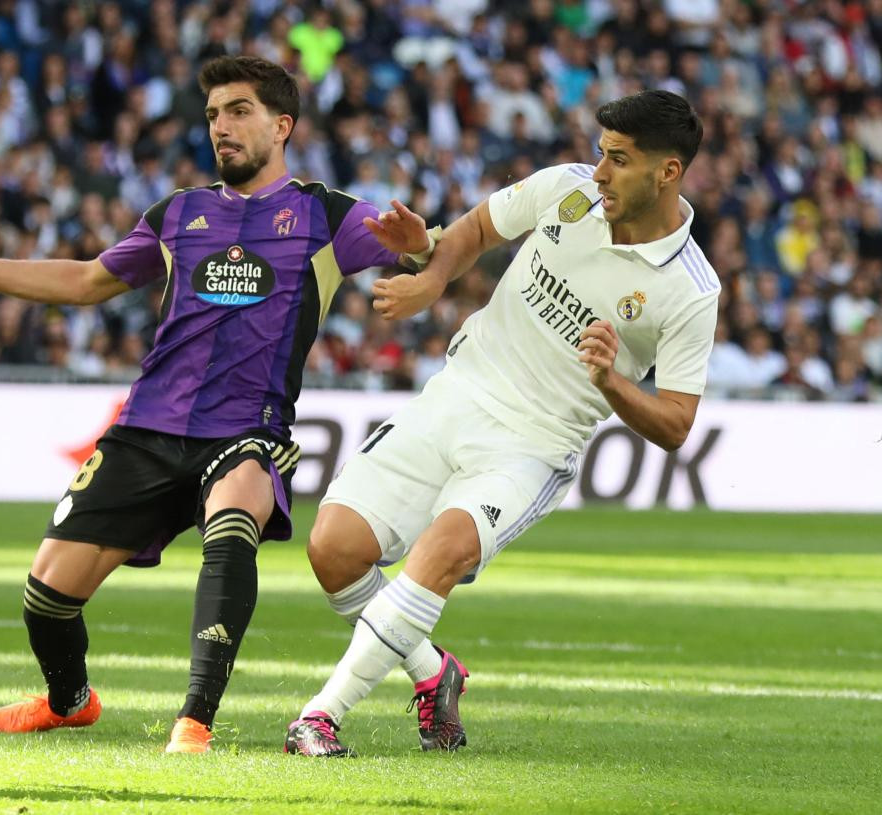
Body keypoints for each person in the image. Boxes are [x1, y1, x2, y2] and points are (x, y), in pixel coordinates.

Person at [0, 56, 436, 754]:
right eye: (213, 115)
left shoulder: (325, 214)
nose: (222, 127)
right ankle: (70, 701)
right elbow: (89, 280)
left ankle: (195, 720)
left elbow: (418, 251)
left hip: (247, 427)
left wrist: (420, 249)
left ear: (282, 124)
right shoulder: (178, 213)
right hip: (149, 425)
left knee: (235, 516)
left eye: (238, 111)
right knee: (46, 596)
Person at [284, 90, 719, 756]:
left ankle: (321, 714)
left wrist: (614, 383)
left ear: (667, 172)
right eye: (601, 153)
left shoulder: (691, 289)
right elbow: (477, 231)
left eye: (619, 160)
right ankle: (434, 672)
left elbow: (677, 423)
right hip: (459, 391)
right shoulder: (567, 190)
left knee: (439, 553)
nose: (599, 171)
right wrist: (430, 280)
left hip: (533, 444)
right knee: (334, 547)